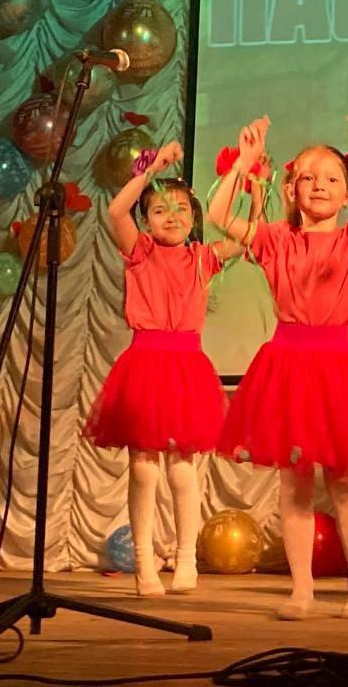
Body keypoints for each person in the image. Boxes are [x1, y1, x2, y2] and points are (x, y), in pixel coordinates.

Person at [209, 114, 348, 620]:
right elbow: (219, 215)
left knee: (346, 482)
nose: (319, 186)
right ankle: (302, 590)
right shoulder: (274, 239)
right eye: (308, 177)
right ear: (290, 189)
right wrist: (244, 163)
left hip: (337, 369)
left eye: (332, 178)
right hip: (286, 368)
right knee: (295, 485)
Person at [84, 141, 257, 596]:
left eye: (181, 209)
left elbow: (249, 238)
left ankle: (186, 559)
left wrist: (252, 186)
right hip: (144, 363)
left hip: (186, 367)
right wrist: (151, 168)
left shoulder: (203, 257)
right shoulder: (139, 251)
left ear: (194, 217)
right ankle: (145, 563)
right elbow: (115, 211)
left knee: (183, 468)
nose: (172, 217)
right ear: (146, 221)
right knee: (143, 467)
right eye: (160, 210)